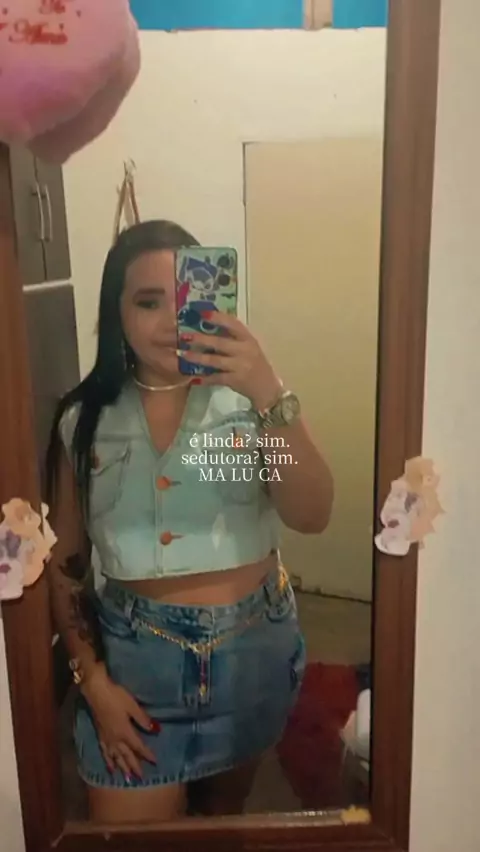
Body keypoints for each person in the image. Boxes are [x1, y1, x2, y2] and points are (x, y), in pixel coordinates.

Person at [46, 220, 334, 824]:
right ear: (116, 312)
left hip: (252, 657)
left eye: (185, 298)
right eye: (148, 302)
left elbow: (312, 514)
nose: (170, 321)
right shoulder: (83, 420)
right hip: (136, 668)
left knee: (223, 816)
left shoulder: (251, 407)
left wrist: (268, 390)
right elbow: (67, 566)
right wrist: (91, 681)